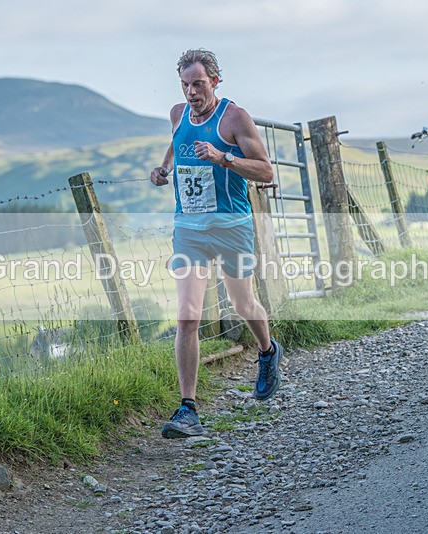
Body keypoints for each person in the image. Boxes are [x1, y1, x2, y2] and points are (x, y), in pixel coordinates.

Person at [150, 48, 283, 439]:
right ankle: (188, 409)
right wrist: (164, 170)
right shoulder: (177, 114)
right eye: (186, 85)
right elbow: (177, 145)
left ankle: (267, 350)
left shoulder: (234, 117)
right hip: (189, 228)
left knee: (243, 304)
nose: (192, 92)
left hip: (230, 225)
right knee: (187, 316)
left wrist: (224, 157)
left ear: (215, 81)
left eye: (199, 84)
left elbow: (265, 170)